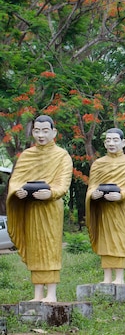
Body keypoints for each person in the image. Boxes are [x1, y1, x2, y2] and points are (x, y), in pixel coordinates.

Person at [7, 115, 72, 302]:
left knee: (50, 248)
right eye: (37, 131)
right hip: (31, 209)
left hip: (51, 209)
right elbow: (16, 181)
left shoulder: (62, 156)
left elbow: (63, 184)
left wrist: (50, 193)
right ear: (32, 131)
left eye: (45, 131)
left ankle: (51, 293)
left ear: (54, 132)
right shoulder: (27, 155)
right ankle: (37, 294)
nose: (41, 135)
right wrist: (17, 191)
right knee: (35, 248)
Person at [86, 128, 125, 284]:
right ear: (104, 143)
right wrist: (93, 194)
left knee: (119, 239)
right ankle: (107, 276)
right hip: (103, 209)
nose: (111, 143)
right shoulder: (98, 164)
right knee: (105, 240)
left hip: (120, 208)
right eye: (108, 140)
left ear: (123, 142)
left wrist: (121, 195)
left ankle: (119, 277)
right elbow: (92, 186)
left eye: (115, 140)